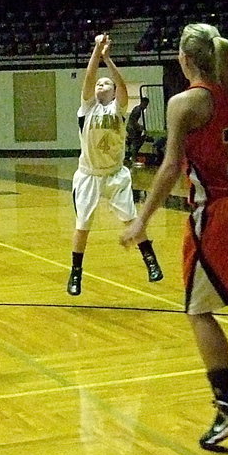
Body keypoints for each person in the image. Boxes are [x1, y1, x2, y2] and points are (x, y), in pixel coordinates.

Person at [119, 23, 228, 451]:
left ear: (186, 59)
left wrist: (141, 219)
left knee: (198, 311)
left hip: (216, 215)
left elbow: (168, 167)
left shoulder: (185, 104)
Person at [68, 34, 162, 296]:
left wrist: (108, 60)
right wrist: (97, 52)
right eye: (99, 84)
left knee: (131, 219)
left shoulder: (118, 110)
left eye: (105, 83)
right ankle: (76, 272)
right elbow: (88, 80)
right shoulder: (86, 109)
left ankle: (150, 260)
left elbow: (121, 86)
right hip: (88, 175)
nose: (100, 86)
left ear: (112, 90)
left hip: (115, 174)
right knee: (83, 224)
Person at [125, 95, 150, 164]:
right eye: (146, 104)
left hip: (131, 127)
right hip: (132, 128)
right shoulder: (138, 110)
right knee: (136, 143)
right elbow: (133, 121)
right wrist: (140, 127)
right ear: (143, 103)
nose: (146, 106)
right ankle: (133, 158)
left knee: (135, 142)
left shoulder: (138, 109)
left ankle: (132, 156)